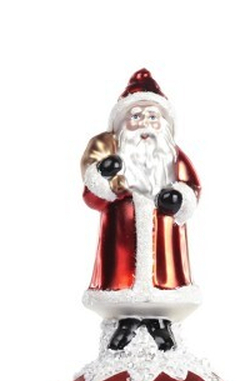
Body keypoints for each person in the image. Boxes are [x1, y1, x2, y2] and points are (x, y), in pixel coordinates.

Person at [81, 69, 201, 351]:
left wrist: (179, 198)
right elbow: (92, 196)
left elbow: (192, 188)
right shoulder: (115, 157)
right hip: (121, 235)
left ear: (163, 123)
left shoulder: (174, 158)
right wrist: (103, 175)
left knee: (164, 279)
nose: (144, 123)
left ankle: (160, 323)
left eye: (152, 117)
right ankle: (126, 322)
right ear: (122, 123)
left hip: (164, 239)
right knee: (122, 281)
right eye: (136, 117)